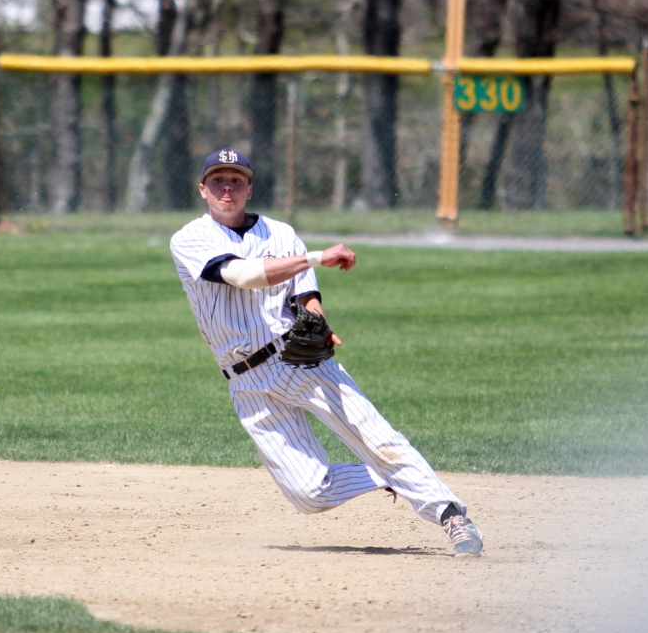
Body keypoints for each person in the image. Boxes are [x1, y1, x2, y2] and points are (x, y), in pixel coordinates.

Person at [170, 148, 483, 557]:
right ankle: (388, 475)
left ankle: (449, 514)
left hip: (299, 361)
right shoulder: (190, 238)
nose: (227, 187)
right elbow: (241, 275)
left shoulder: (281, 233)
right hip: (246, 383)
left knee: (377, 437)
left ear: (249, 188)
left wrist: (316, 317)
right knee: (309, 494)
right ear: (203, 189)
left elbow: (306, 294)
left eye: (236, 180)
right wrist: (318, 255)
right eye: (217, 180)